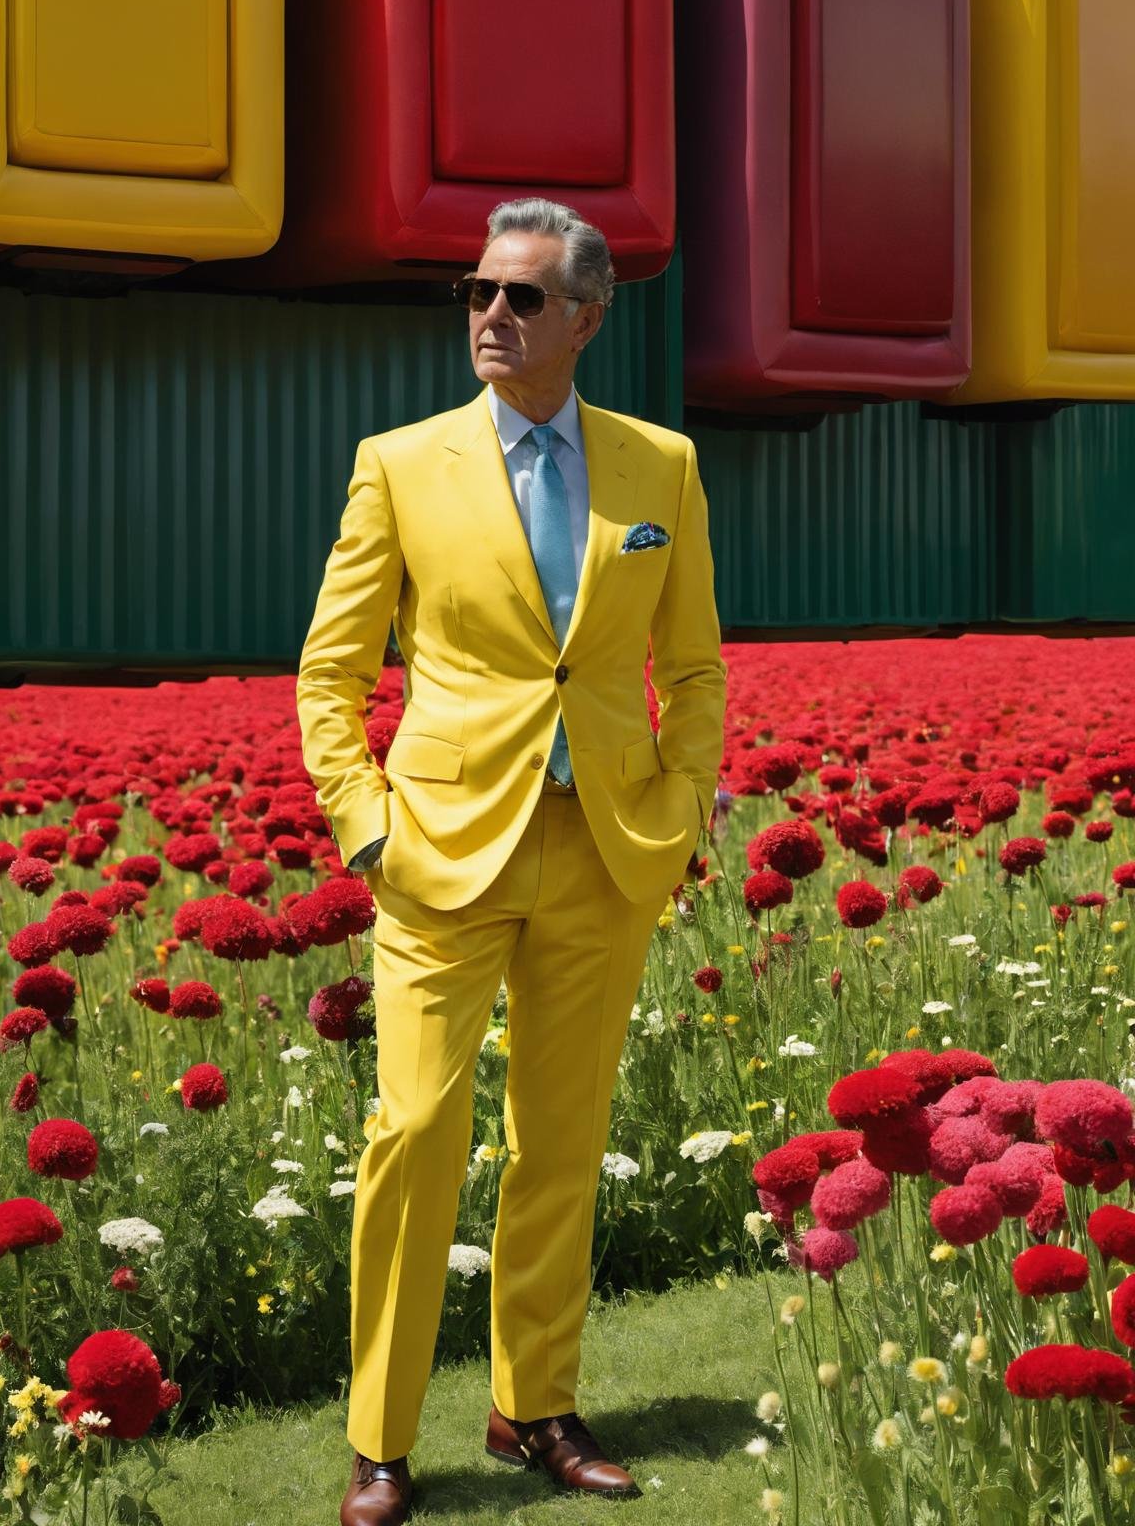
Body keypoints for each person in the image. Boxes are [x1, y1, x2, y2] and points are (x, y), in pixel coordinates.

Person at [296, 196, 727, 1524]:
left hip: (603, 850)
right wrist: (367, 825)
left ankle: (532, 1409)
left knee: (560, 1147)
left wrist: (681, 797)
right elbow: (330, 670)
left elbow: (695, 665)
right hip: (439, 852)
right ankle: (379, 1441)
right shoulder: (400, 462)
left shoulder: (661, 466)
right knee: (415, 1135)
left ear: (587, 317)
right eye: (479, 292)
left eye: (524, 297)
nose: (492, 315)